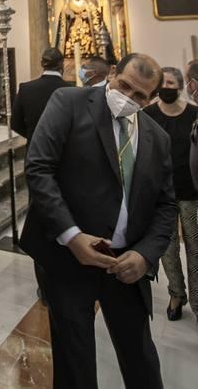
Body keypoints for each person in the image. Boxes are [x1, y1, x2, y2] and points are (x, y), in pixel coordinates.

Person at [20, 53, 176, 389]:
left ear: (150, 99)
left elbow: (166, 205)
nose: (128, 97)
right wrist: (72, 235)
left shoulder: (157, 137)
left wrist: (146, 254)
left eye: (140, 95)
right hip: (69, 257)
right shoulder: (69, 102)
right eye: (124, 86)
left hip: (126, 262)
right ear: (113, 73)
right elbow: (39, 167)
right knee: (75, 361)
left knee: (141, 357)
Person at [142, 66, 198, 321]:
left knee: (195, 248)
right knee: (167, 247)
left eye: (170, 84)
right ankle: (176, 294)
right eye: (162, 84)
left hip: (191, 192)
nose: (166, 88)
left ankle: (197, 299)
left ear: (181, 86)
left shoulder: (194, 113)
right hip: (161, 193)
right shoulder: (148, 114)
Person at [11, 47, 73, 141]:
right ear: (61, 64)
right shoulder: (72, 90)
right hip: (63, 146)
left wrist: (33, 136)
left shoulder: (26, 88)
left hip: (35, 146)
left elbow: (15, 124)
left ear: (42, 64)